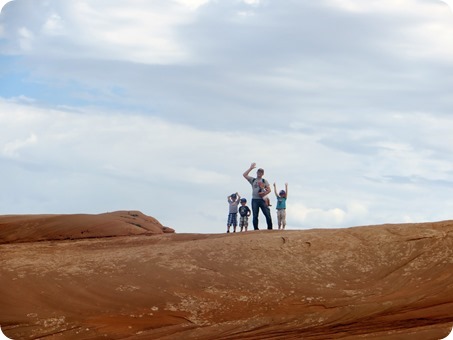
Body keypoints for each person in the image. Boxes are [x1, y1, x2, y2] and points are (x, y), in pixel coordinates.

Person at [243, 163, 273, 230]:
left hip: (262, 199)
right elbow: (244, 175)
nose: (259, 173)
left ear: (263, 174)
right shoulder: (253, 180)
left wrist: (263, 193)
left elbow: (269, 190)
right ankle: (256, 229)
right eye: (259, 172)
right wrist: (250, 168)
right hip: (255, 200)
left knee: (267, 214)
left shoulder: (264, 181)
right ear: (257, 172)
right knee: (255, 215)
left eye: (261, 172)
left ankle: (270, 229)